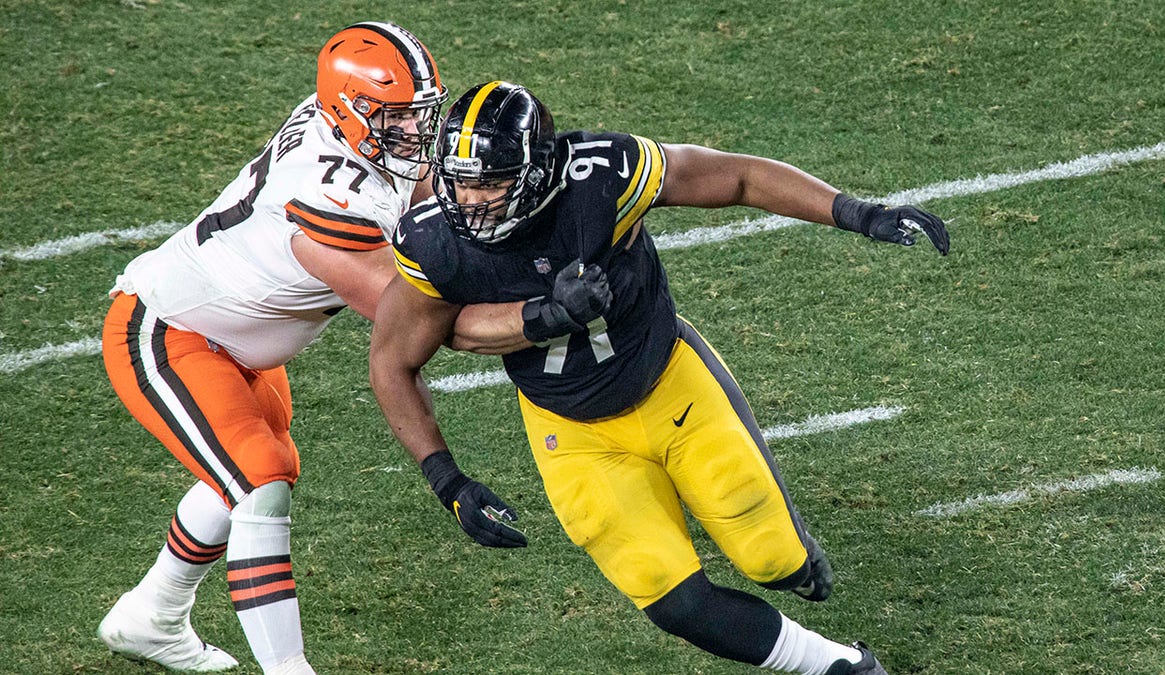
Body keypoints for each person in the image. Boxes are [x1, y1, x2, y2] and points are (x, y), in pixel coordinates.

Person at [369, 81, 950, 674]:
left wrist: (859, 213)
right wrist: (448, 481)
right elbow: (396, 358)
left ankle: (796, 564)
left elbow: (737, 177)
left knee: (773, 559)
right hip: (570, 430)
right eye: (458, 178)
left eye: (489, 181)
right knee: (669, 595)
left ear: (539, 170)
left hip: (670, 383)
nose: (470, 199)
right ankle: (836, 665)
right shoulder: (435, 240)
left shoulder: (601, 177)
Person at [98, 22, 448, 674]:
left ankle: (153, 614)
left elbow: (415, 189)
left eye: (418, 117)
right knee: (257, 479)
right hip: (168, 328)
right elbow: (414, 317)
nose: (415, 134)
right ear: (351, 112)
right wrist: (526, 310)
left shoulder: (344, 130)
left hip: (235, 337)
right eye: (398, 119)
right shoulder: (329, 192)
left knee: (263, 465)